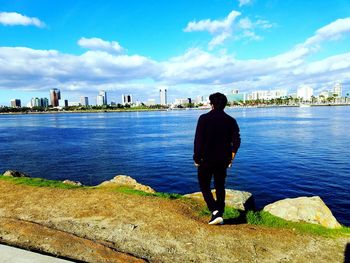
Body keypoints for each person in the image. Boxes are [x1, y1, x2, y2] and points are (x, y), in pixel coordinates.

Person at [193, 92, 241, 225]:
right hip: (223, 160)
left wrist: (196, 158)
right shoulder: (231, 120)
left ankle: (215, 211)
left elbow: (198, 141)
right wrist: (231, 157)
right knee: (220, 186)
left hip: (206, 159)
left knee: (204, 185)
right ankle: (220, 212)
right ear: (224, 105)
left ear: (211, 104)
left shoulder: (204, 118)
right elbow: (236, 141)